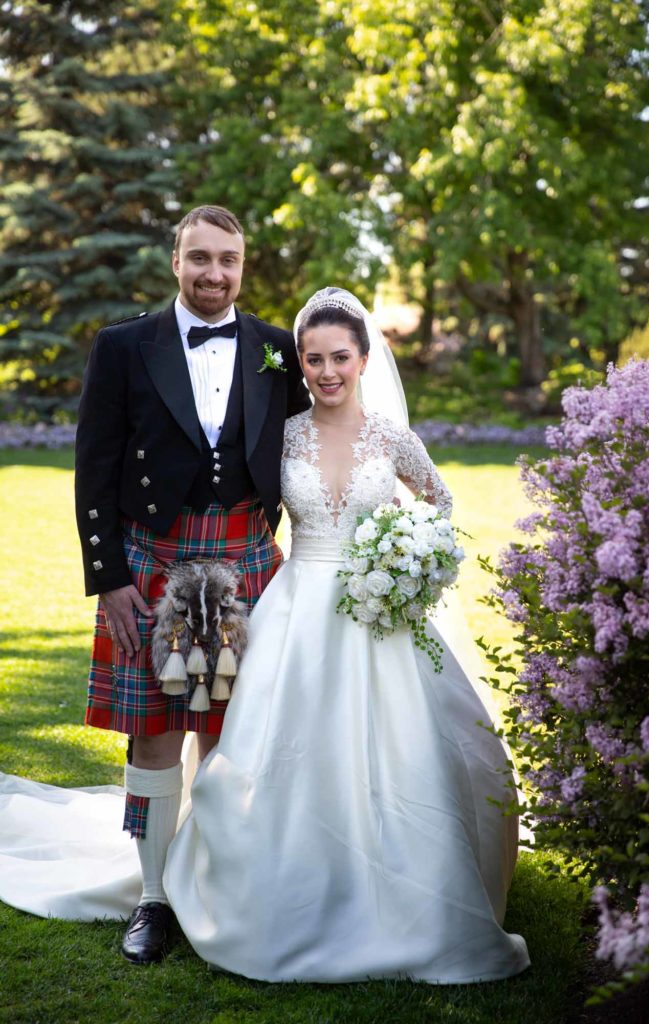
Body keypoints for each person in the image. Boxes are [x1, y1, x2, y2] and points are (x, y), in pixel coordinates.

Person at [161, 287, 531, 983]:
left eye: (339, 357)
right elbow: (245, 503)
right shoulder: (284, 433)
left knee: (399, 753)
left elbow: (440, 501)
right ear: (299, 364)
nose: (326, 371)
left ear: (364, 358)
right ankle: (280, 882)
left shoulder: (390, 437)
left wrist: (408, 556)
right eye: (312, 359)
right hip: (296, 607)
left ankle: (403, 890)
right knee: (284, 748)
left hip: (376, 611)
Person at [73, 204, 310, 964]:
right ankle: (153, 897)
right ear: (175, 260)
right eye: (199, 257)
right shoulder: (124, 347)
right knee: (156, 734)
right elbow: (93, 468)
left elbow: (316, 441)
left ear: (245, 267)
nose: (214, 273)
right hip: (150, 563)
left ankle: (218, 879)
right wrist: (108, 577)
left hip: (247, 560)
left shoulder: (278, 350)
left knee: (232, 736)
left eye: (228, 261)